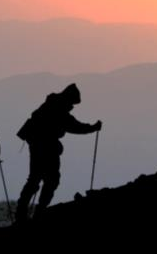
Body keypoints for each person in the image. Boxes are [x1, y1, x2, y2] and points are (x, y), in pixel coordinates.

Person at [16, 84, 101, 221]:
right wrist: (93, 128)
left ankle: (22, 212)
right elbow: (74, 126)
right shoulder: (58, 108)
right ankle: (39, 212)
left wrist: (91, 128)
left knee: (35, 179)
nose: (72, 105)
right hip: (46, 147)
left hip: (38, 146)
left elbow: (71, 124)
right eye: (73, 102)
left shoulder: (51, 104)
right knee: (50, 179)